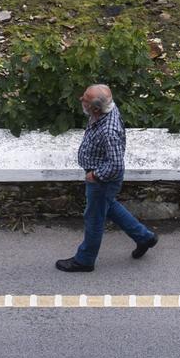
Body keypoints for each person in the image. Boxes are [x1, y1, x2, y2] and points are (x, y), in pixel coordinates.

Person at [55, 83, 159, 272]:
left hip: (102, 180)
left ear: (95, 108)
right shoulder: (102, 111)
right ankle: (145, 237)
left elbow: (116, 164)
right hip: (102, 179)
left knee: (94, 218)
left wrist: (96, 175)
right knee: (109, 207)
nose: (81, 99)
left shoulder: (109, 131)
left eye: (84, 99)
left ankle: (84, 260)